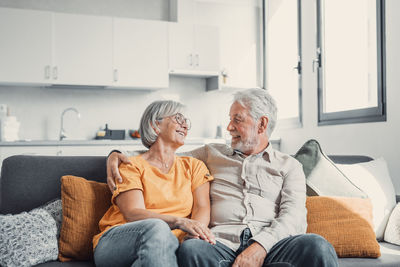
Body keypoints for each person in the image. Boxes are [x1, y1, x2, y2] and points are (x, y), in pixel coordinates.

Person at [107, 88, 338, 267]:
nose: (229, 127)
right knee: (191, 250)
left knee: (317, 246)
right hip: (220, 244)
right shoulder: (210, 153)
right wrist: (116, 155)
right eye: (230, 119)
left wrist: (260, 246)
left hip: (274, 244)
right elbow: (160, 155)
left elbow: (293, 217)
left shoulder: (290, 166)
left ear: (262, 124)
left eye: (237, 119)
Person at [93, 100, 215, 267]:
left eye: (186, 121)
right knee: (157, 228)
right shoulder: (131, 165)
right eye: (178, 118)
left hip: (163, 248)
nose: (185, 125)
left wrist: (195, 235)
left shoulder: (194, 166)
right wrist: (179, 222)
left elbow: (202, 207)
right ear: (155, 125)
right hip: (118, 241)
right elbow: (133, 213)